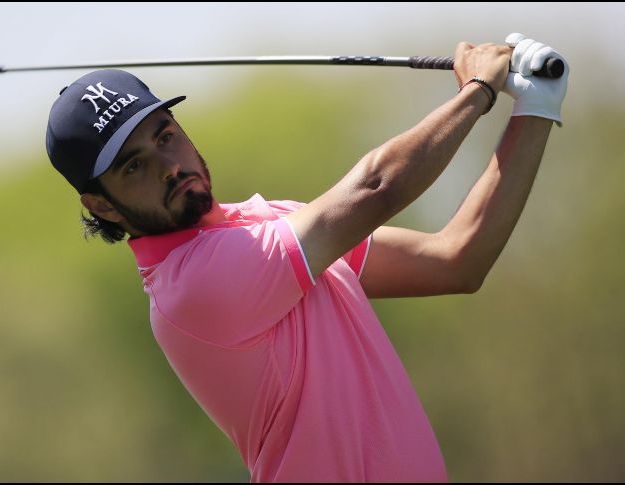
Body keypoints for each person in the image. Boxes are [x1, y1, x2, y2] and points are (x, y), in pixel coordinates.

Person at [45, 33, 568, 482]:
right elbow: (376, 187)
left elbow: (455, 260)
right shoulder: (192, 285)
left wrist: (536, 108)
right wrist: (477, 91)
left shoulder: (267, 223)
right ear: (100, 206)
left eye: (166, 137)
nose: (168, 166)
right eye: (133, 166)